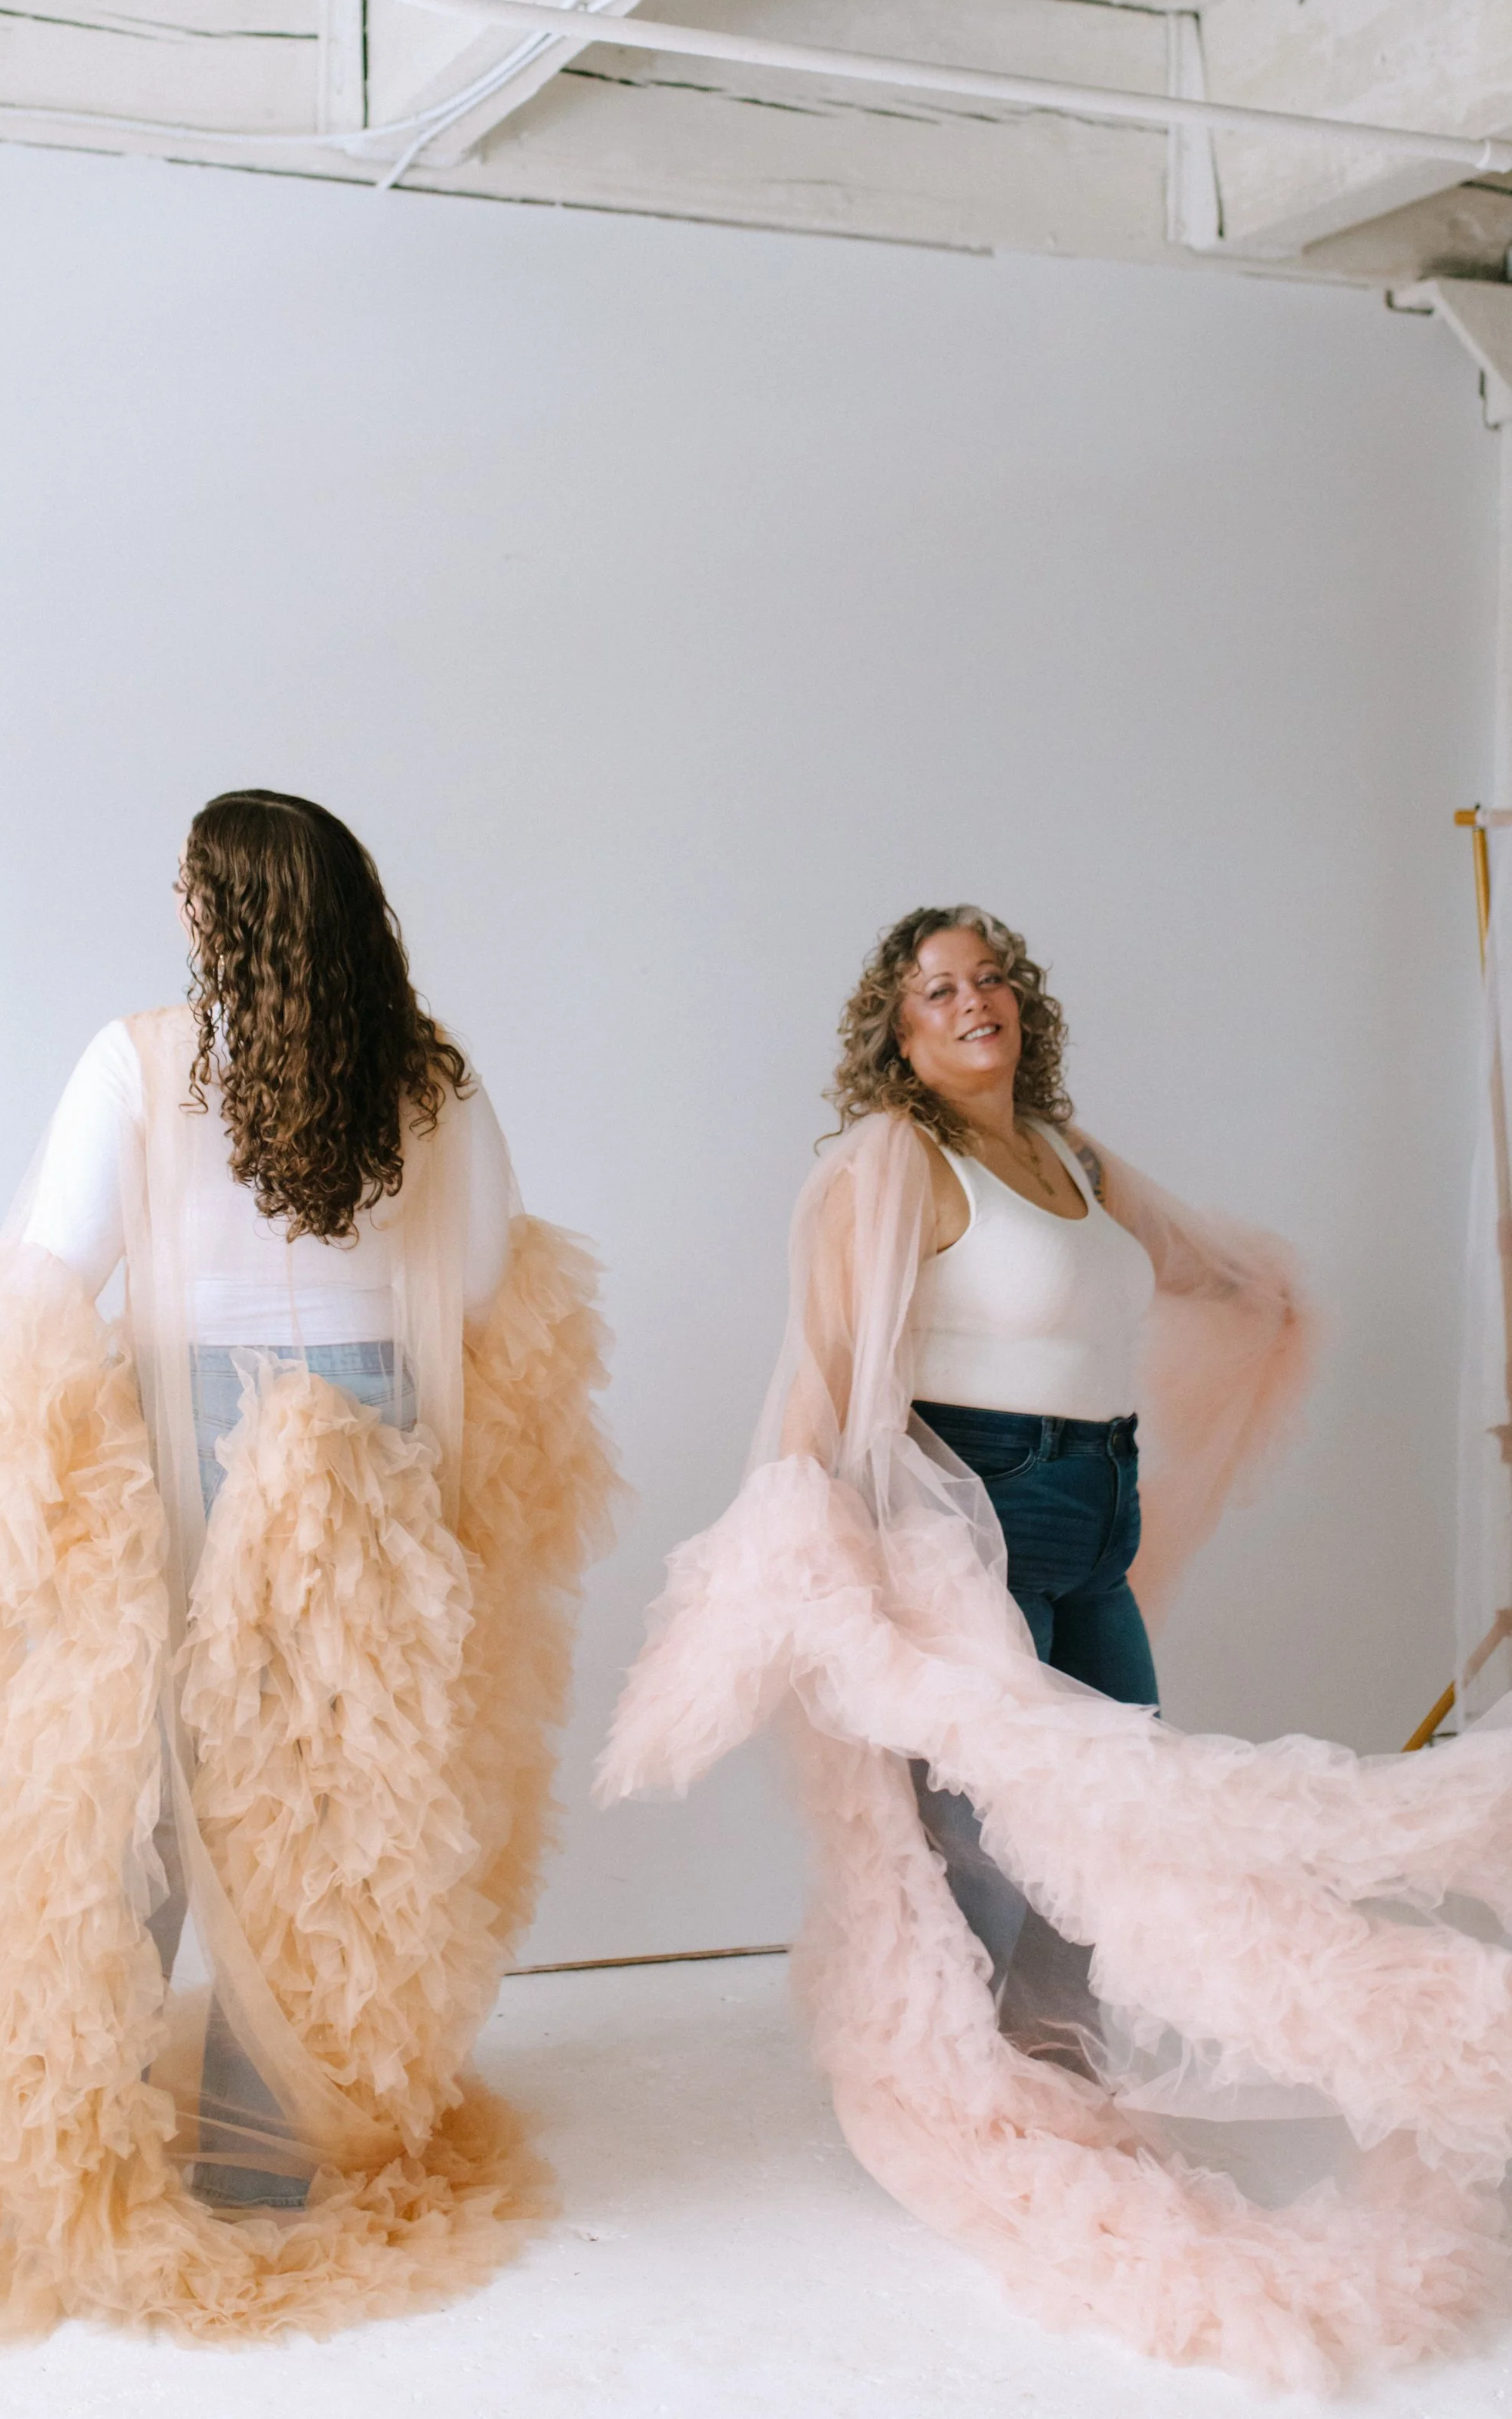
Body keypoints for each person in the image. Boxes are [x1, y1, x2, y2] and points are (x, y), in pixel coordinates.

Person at [0, 790, 617, 2345]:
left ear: (220, 912)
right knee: (321, 1813)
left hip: (193, 1448)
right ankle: (266, 2151)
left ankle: (84, 2139)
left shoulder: (139, 1059)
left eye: (187, 890)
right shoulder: (432, 1083)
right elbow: (473, 1283)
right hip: (372, 1460)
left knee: (134, 1792)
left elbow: (45, 1275)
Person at [603, 903, 1512, 2393]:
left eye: (990, 978)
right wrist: (807, 1541)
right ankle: (974, 2091)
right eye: (937, 991)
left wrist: (1271, 1311)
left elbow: (1196, 1270)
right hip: (978, 1511)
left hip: (1098, 1503)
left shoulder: (1075, 1159)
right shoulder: (893, 1162)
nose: (975, 1003)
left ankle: (1057, 2071)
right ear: (895, 1033)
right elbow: (827, 1367)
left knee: (1112, 1815)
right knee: (983, 1828)